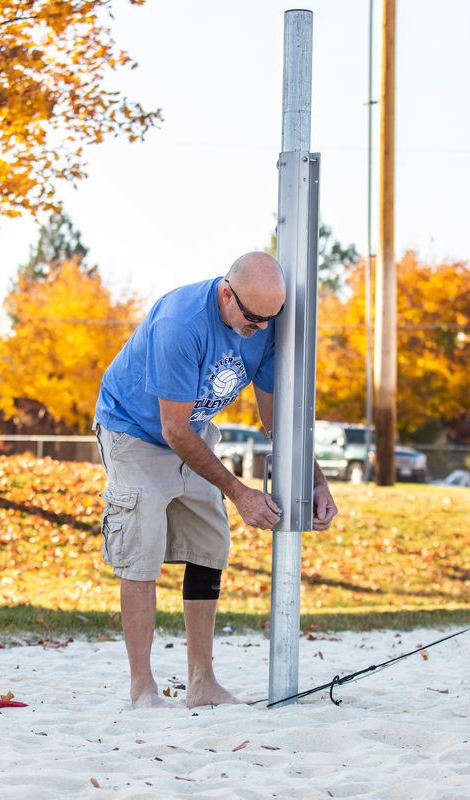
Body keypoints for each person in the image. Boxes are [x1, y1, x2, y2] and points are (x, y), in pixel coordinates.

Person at [94, 251, 339, 709]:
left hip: (192, 430)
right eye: (254, 317)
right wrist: (240, 491)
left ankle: (201, 683)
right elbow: (174, 429)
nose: (264, 328)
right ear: (227, 293)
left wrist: (316, 481)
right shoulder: (180, 323)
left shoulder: (265, 326)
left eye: (272, 317)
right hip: (134, 430)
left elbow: (275, 420)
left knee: (210, 545)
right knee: (142, 549)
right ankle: (142, 688)